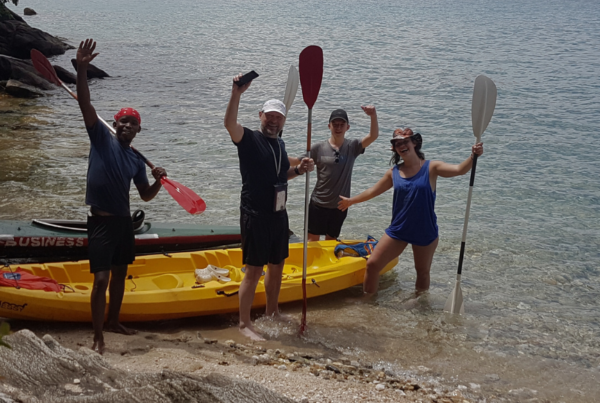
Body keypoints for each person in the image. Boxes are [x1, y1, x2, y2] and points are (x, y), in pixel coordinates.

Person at [76, 39, 166, 354]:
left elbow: (144, 196)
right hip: (100, 222)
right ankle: (98, 336)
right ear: (115, 125)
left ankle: (114, 322)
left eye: (133, 123)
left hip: (124, 225)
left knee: (118, 279)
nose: (128, 125)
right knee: (100, 281)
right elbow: (85, 104)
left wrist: (159, 181)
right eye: (123, 121)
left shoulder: (136, 160)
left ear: (139, 130)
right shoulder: (101, 137)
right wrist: (83, 68)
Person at [338, 128, 483, 296]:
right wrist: (351, 201)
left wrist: (473, 157)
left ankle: (420, 306)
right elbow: (373, 191)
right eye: (397, 143)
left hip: (425, 230)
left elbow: (459, 170)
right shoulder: (393, 173)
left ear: (414, 143)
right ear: (394, 148)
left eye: (405, 141)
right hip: (399, 229)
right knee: (372, 265)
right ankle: (368, 303)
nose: (402, 145)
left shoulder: (432, 167)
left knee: (422, 272)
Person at [224, 73, 314, 341]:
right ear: (261, 115)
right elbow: (229, 124)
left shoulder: (280, 143)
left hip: (278, 214)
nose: (274, 121)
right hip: (255, 214)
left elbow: (279, 174)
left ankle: (272, 311)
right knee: (253, 271)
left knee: (277, 265)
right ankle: (244, 324)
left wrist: (298, 169)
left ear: (283, 121)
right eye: (270, 116)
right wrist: (236, 93)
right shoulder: (249, 139)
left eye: (279, 117)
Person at [290, 107, 379, 241]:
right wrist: (277, 154)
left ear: (347, 127)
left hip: (341, 205)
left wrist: (373, 115)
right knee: (312, 241)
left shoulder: (353, 146)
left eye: (341, 125)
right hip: (318, 203)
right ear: (329, 126)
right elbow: (296, 161)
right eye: (335, 124)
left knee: (331, 242)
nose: (338, 127)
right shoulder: (318, 148)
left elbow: (373, 136)